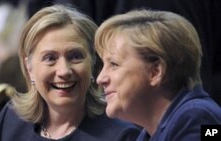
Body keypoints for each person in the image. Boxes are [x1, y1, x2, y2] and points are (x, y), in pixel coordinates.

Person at [0, 4, 140, 141]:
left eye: (75, 56)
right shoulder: (11, 119)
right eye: (50, 58)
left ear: (94, 63)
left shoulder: (123, 136)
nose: (64, 71)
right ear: (29, 68)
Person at [95, 9, 221, 141]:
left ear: (156, 71)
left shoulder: (196, 118)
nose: (100, 79)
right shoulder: (148, 134)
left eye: (114, 64)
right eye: (103, 65)